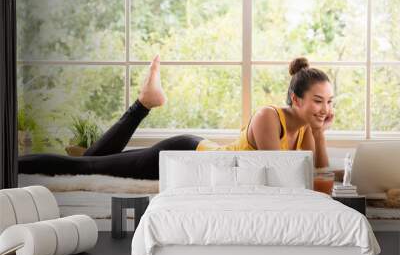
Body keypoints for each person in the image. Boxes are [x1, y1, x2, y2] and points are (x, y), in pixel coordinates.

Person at [19, 55, 334, 180]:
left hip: (202, 151)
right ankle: (11, 164)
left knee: (89, 161)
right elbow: (277, 176)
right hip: (184, 155)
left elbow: (318, 173)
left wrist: (319, 133)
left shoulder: (304, 129)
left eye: (329, 102)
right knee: (84, 167)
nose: (324, 108)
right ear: (295, 99)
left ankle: (144, 103)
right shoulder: (269, 117)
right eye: (318, 101)